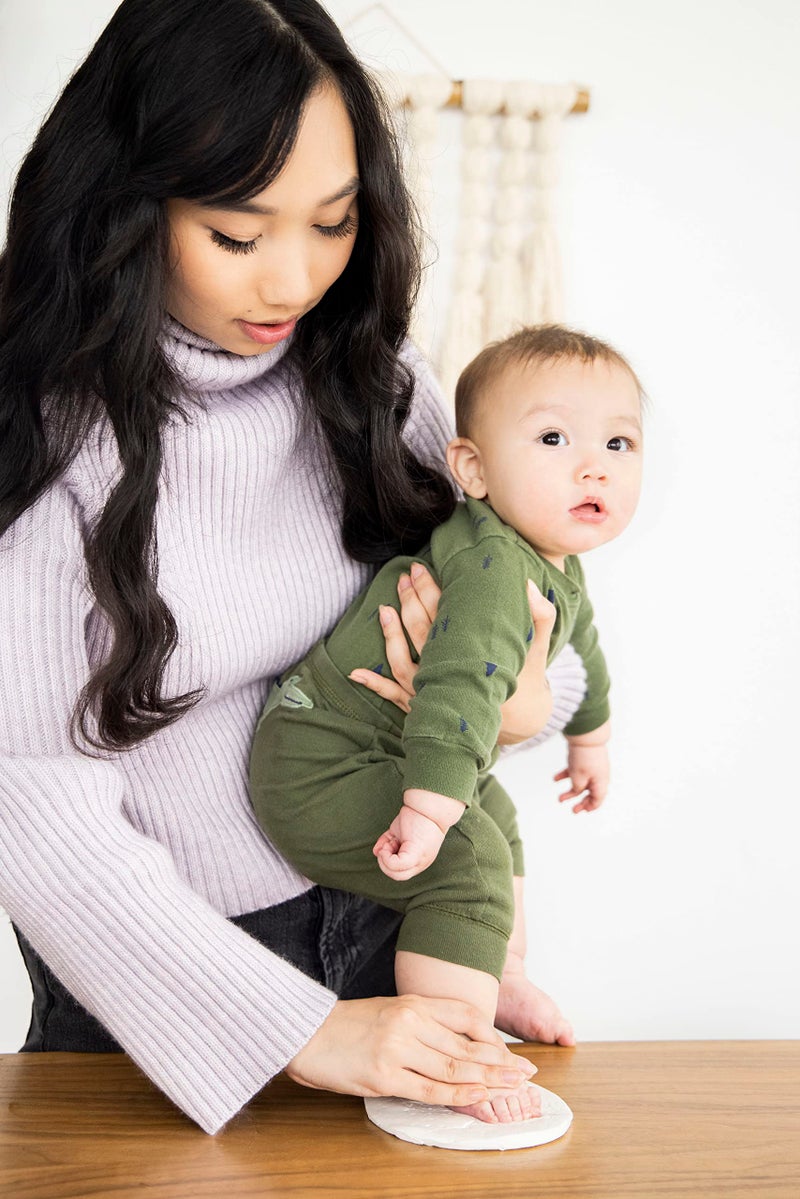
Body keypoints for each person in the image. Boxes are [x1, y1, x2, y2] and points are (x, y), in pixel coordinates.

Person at [0, 0, 588, 1134]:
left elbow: (523, 578)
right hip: (163, 973)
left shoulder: (367, 378)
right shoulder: (41, 439)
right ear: (124, 207)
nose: (295, 281)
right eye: (237, 234)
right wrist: (298, 1026)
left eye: (332, 223)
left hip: (393, 912)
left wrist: (526, 699)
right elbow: (27, 801)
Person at [250, 324, 644, 1124]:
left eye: (619, 441)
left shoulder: (551, 558)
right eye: (554, 437)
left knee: (492, 809)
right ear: (473, 467)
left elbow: (583, 644)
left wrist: (590, 736)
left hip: (359, 749)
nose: (593, 463)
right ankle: (454, 1056)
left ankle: (499, 971)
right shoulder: (494, 567)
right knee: (463, 848)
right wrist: (430, 808)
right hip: (320, 764)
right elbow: (461, 688)